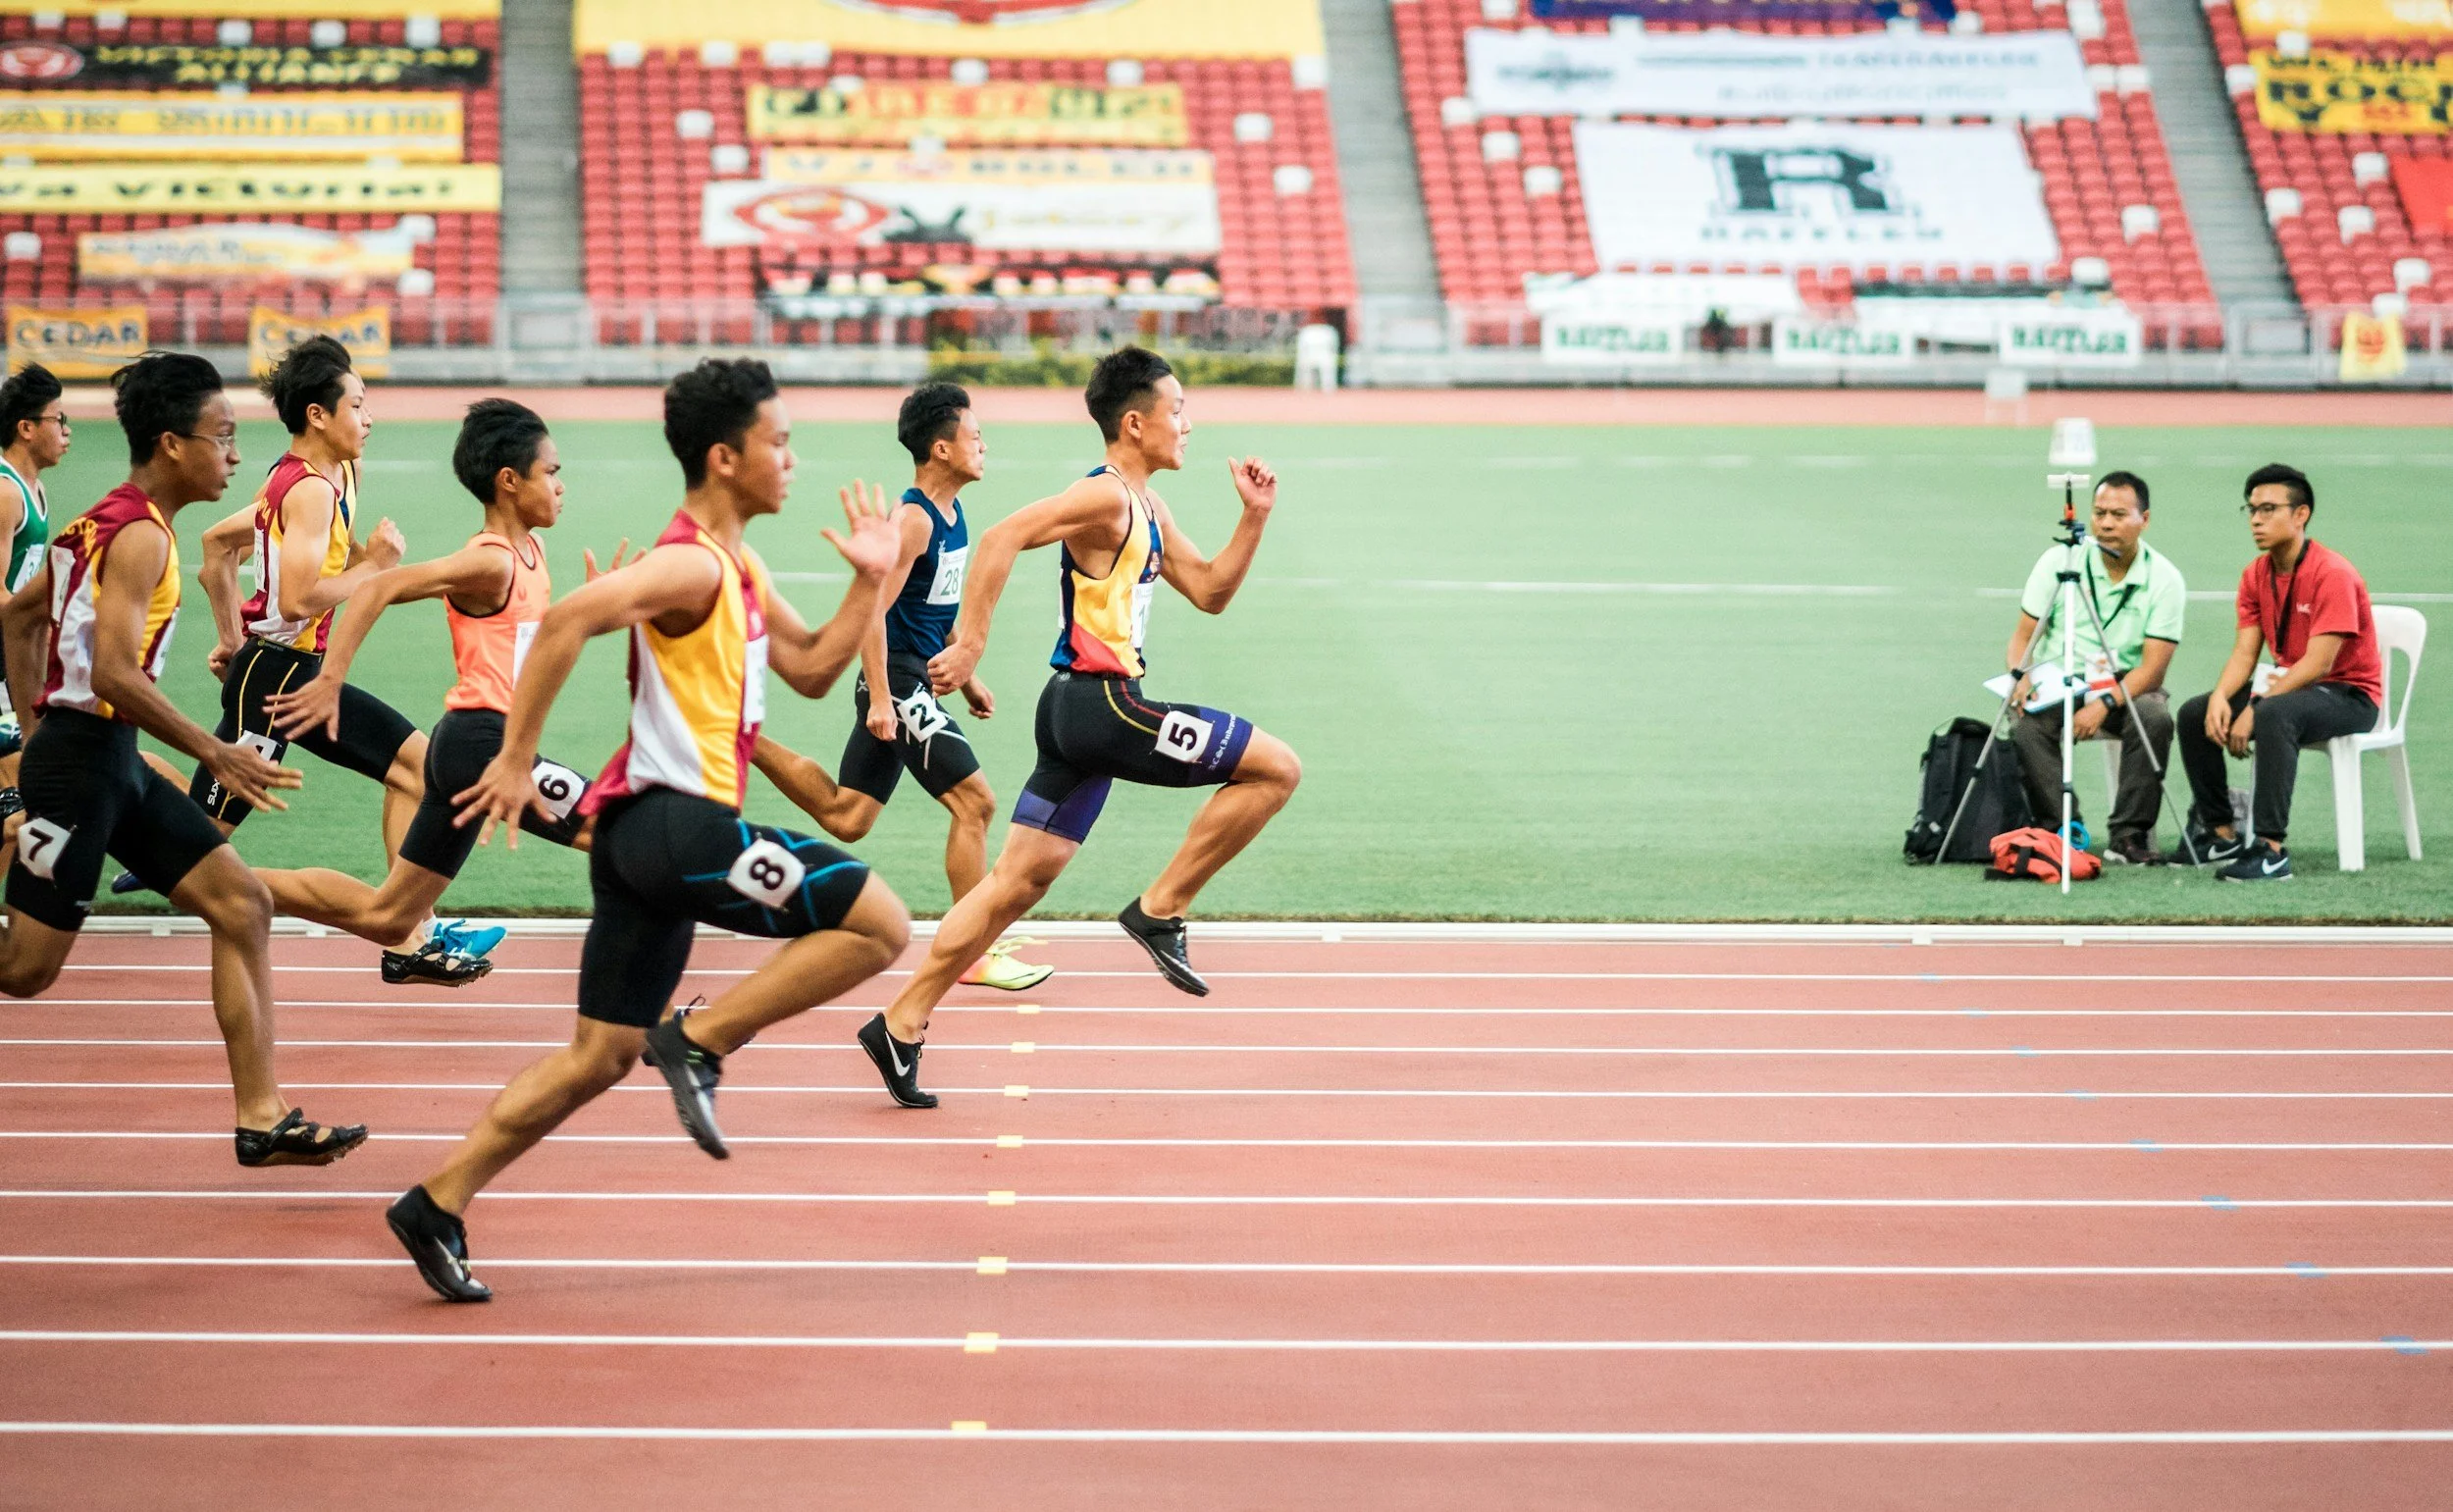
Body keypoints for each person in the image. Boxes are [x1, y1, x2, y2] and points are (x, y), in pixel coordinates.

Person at [388, 358, 911, 1303]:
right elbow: (564, 625)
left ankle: (436, 1200)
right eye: (778, 443)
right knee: (881, 925)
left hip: (642, 842)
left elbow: (815, 669)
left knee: (601, 1054)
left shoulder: (738, 562)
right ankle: (702, 1040)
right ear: (724, 456)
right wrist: (514, 755)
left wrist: (874, 581)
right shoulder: (689, 562)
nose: (791, 460)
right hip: (679, 827)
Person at [857, 347, 1302, 1111]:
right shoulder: (1101, 498)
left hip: (1074, 717)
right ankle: (1161, 909)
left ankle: (900, 1022)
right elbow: (999, 537)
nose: (1189, 425)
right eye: (1178, 411)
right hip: (1105, 708)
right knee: (1276, 769)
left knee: (1012, 885)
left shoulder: (1148, 505)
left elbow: (1212, 590)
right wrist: (969, 644)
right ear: (1135, 423)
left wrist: (1253, 518)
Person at [0, 350, 363, 1166]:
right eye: (222, 437)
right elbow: (116, 674)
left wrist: (32, 728)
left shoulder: (102, 521)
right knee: (24, 971)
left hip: (103, 756)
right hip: (83, 766)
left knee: (241, 904)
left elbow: (18, 619)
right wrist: (214, 751)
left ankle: (262, 1116)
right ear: (172, 444)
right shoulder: (133, 537)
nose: (235, 455)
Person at [170, 336, 496, 983]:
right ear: (318, 414)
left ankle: (415, 933)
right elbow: (296, 595)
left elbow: (223, 546)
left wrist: (232, 634)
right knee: (197, 839)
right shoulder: (310, 489)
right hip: (276, 678)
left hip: (284, 669)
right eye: (357, 404)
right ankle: (105, 798)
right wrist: (376, 568)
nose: (368, 418)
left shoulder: (337, 474)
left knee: (414, 767)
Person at [252, 400, 607, 958]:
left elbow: (527, 654)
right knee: (620, 837)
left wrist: (592, 607)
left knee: (388, 918)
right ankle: (658, 1021)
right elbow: (376, 587)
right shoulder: (490, 561)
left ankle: (204, 875)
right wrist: (330, 680)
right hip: (482, 746)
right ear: (509, 481)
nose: (561, 486)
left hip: (466, 746)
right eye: (552, 473)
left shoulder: (530, 549)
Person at [751, 382, 1050, 991]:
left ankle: (742, 737)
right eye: (974, 435)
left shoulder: (953, 512)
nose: (984, 444)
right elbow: (872, 615)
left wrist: (969, 679)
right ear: (941, 449)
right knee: (976, 803)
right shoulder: (911, 521)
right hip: (898, 681)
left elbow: (929, 612)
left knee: (849, 815)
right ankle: (972, 951)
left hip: (918, 677)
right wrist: (884, 697)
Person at [2175, 463, 2383, 882]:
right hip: (2290, 688)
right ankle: (2221, 833)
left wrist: (2256, 704)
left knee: (2274, 714)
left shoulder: (2333, 574)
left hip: (2348, 696)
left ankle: (2270, 850)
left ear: (2301, 514)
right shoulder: (2255, 574)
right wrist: (2220, 697)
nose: (2256, 519)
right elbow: (2245, 652)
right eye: (2251, 509)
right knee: (2195, 714)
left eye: (2269, 509)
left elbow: (2318, 663)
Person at [2003, 471, 2185, 865]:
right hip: (2060, 682)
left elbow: (2153, 671)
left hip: (2127, 686)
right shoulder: (2060, 560)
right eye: (2099, 512)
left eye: (2119, 514)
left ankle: (2129, 835)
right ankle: (2062, 829)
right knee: (2025, 725)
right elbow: (2022, 639)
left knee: (2154, 716)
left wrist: (2103, 703)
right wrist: (2022, 677)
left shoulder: (2165, 579)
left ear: (2144, 520)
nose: (2105, 523)